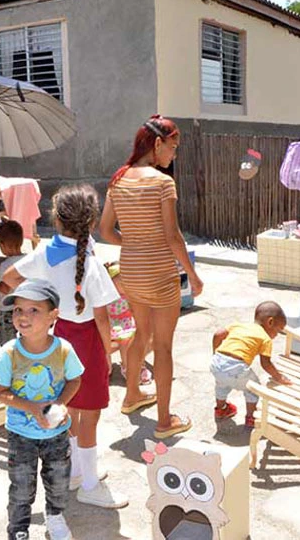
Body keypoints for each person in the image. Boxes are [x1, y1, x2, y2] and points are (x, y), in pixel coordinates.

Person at [3, 184, 128, 510]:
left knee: (69, 410)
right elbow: (101, 317)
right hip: (86, 341)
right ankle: (88, 484)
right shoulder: (91, 262)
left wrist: (38, 310)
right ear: (91, 221)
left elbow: (10, 277)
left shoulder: (44, 252)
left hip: (56, 338)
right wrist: (108, 351)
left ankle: (75, 473)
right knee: (90, 416)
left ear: (56, 219)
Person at [99, 115, 203, 439]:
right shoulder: (163, 183)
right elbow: (173, 236)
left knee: (140, 333)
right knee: (163, 346)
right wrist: (192, 274)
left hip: (130, 273)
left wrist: (133, 243)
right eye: (173, 147)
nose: (174, 154)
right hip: (159, 275)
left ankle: (131, 396)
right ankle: (163, 421)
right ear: (158, 144)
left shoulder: (118, 180)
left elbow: (104, 231)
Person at [0, 279, 84, 540]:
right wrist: (31, 407)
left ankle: (55, 516)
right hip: (20, 435)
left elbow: (75, 380)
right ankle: (18, 529)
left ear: (53, 316)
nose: (23, 316)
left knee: (58, 481)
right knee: (21, 486)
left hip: (57, 434)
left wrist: (60, 403)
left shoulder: (63, 350)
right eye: (19, 310)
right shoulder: (9, 353)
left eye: (34, 310)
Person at [211, 301, 292, 429]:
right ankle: (251, 418)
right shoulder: (265, 338)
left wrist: (215, 354)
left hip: (217, 362)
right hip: (236, 366)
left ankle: (221, 410)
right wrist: (279, 377)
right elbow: (266, 364)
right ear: (270, 322)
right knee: (253, 388)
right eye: (278, 331)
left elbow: (217, 334)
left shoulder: (238, 325)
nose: (276, 336)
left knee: (222, 384)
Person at [105, 261, 152, 385]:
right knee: (125, 341)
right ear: (111, 282)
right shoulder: (106, 297)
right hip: (112, 326)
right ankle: (126, 367)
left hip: (127, 324)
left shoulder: (131, 296)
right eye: (120, 281)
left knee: (137, 340)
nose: (125, 284)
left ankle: (137, 365)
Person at [0, 220, 26, 344]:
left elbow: (4, 289)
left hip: (8, 309)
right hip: (25, 307)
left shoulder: (6, 265)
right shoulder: (28, 260)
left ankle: (9, 361)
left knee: (7, 342)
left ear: (3, 245)